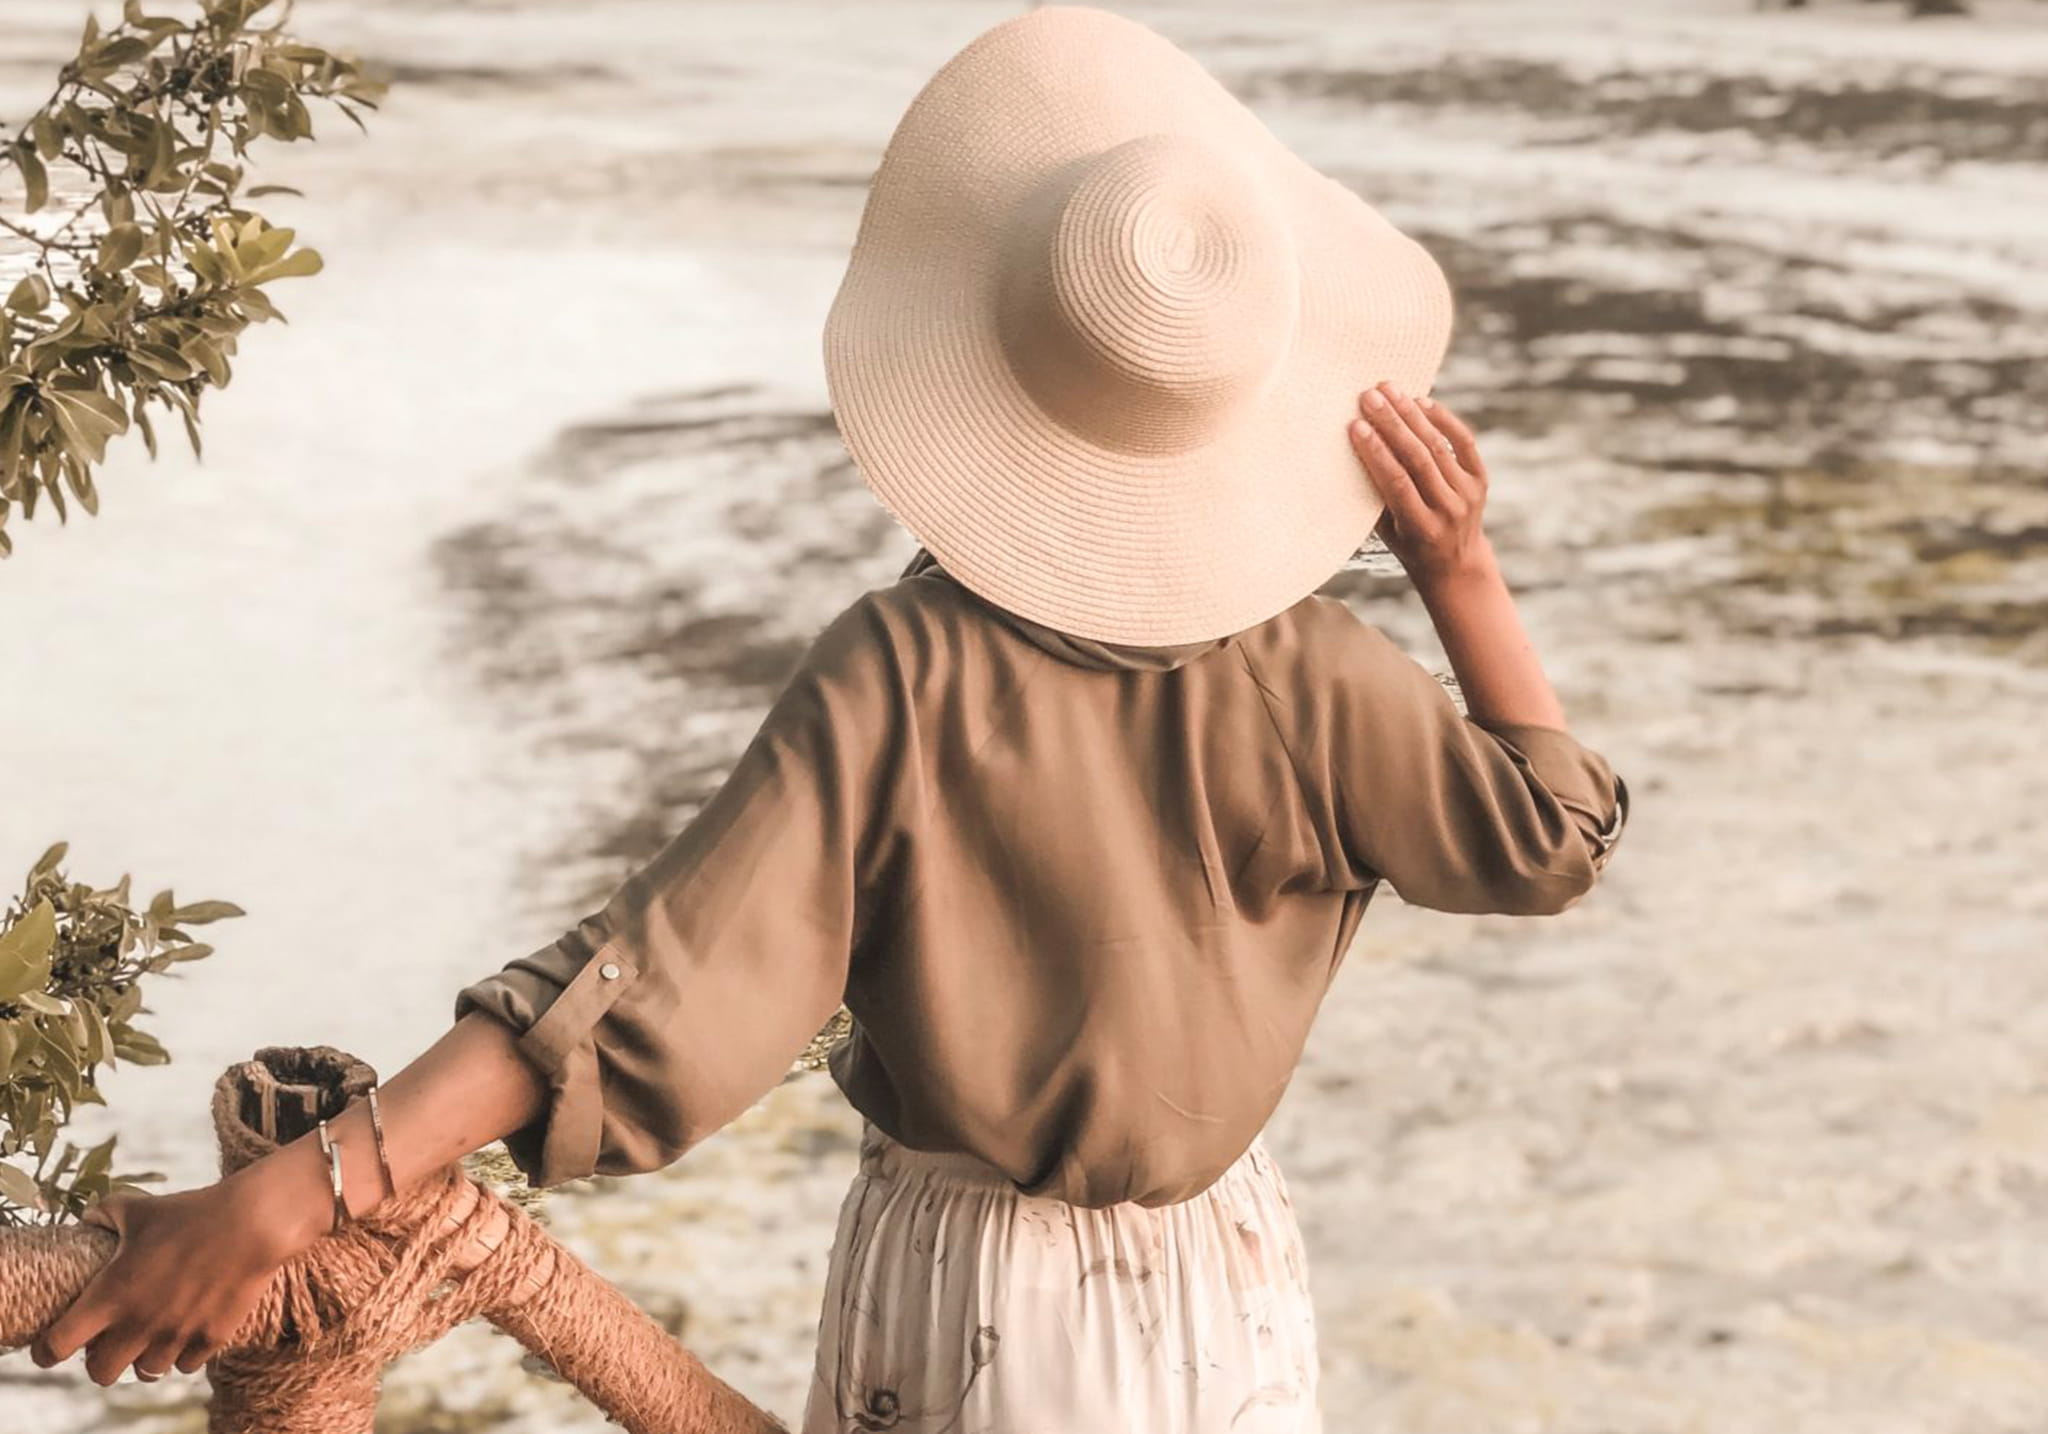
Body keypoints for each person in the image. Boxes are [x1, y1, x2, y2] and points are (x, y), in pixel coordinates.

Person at [29, 8, 1629, 1432]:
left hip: (972, 1279)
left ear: (985, 351)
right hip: (1220, 1274)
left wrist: (301, 1192)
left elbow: (637, 985)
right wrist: (1461, 571)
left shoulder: (906, 667)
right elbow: (1550, 835)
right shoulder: (1325, 671)